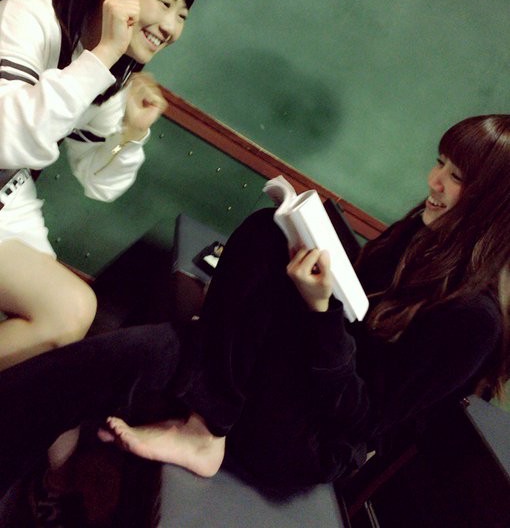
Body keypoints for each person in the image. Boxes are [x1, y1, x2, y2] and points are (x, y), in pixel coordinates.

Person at [0, 115, 508, 502]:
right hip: (289, 379)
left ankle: (203, 430)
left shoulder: (474, 320)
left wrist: (319, 311)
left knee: (158, 348)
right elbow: (354, 307)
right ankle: (57, 473)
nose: (434, 181)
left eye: (455, 176)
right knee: (274, 230)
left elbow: (363, 417)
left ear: (491, 205)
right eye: (440, 163)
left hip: (303, 439)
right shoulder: (424, 232)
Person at [0, 0, 198, 372]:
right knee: (68, 310)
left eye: (182, 15)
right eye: (165, 3)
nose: (171, 28)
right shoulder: (30, 16)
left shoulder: (111, 72)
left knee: (61, 331)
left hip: (10, 201)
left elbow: (97, 182)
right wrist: (103, 54)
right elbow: (6, 138)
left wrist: (131, 133)